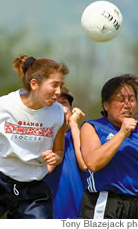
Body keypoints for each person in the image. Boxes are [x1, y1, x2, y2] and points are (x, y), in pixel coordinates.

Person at [0, 54, 69, 219]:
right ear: (34, 84)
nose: (59, 92)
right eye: (54, 85)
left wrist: (55, 158)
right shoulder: (6, 104)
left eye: (61, 86)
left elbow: (59, 151)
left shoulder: (58, 114)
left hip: (33, 189)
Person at [80, 74, 138, 219]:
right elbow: (93, 163)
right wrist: (122, 133)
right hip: (106, 203)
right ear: (106, 105)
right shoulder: (92, 127)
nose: (127, 104)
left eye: (131, 99)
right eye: (121, 99)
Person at [44, 87, 87, 219]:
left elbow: (85, 163)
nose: (61, 108)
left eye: (64, 103)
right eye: (55, 103)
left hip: (77, 215)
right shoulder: (41, 137)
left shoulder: (79, 136)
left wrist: (73, 124)